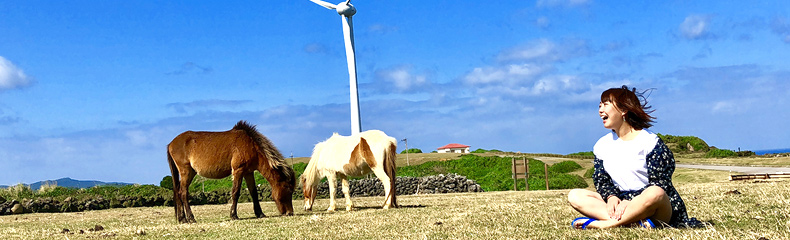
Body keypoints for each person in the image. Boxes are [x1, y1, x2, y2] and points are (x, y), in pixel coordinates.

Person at [567, 85, 704, 229]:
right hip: (621, 203)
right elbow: (601, 179)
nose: (600, 110)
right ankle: (632, 223)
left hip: (654, 207)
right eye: (599, 105)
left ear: (623, 110)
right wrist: (611, 197)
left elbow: (660, 183)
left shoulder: (650, 142)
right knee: (575, 195)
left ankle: (607, 224)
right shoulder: (601, 145)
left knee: (655, 192)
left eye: (605, 105)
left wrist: (631, 202)